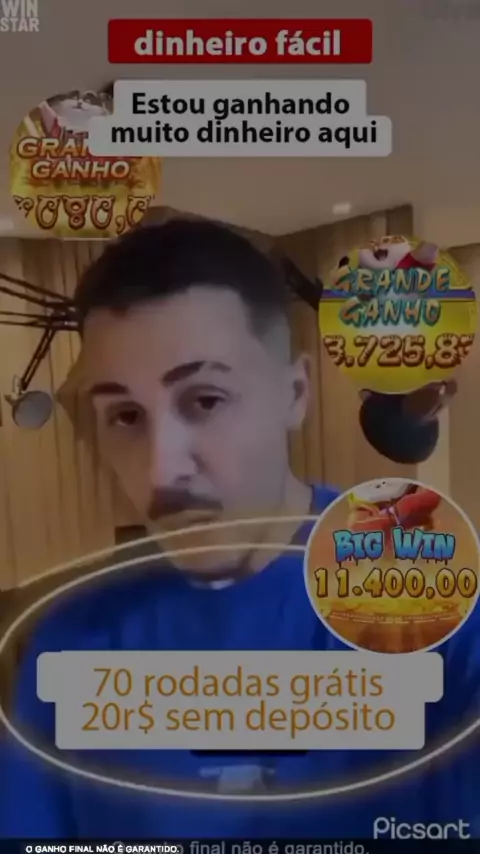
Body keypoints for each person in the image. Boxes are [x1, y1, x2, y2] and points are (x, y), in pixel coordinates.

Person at [1, 219, 478, 839]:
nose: (161, 468)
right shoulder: (69, 644)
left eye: (206, 399)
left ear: (295, 392)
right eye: (125, 416)